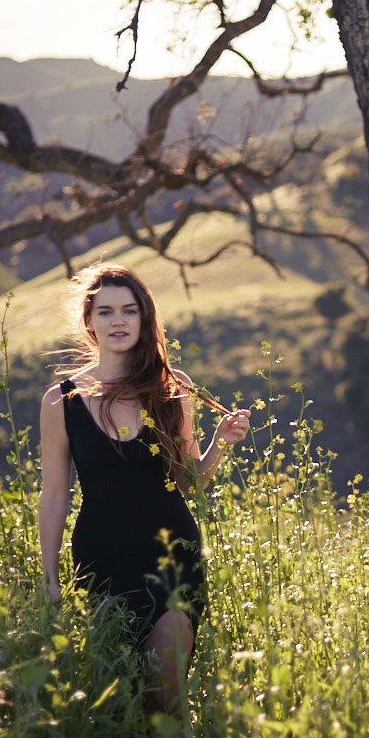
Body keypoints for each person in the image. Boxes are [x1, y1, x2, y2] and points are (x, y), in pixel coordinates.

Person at [38, 263, 251, 712]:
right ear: (89, 321)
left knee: (165, 688)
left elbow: (188, 481)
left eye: (130, 311)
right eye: (107, 311)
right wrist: (52, 580)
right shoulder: (62, 400)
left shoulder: (173, 389)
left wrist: (219, 443)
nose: (119, 321)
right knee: (118, 700)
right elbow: (55, 496)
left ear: (145, 318)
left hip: (173, 560)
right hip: (102, 565)